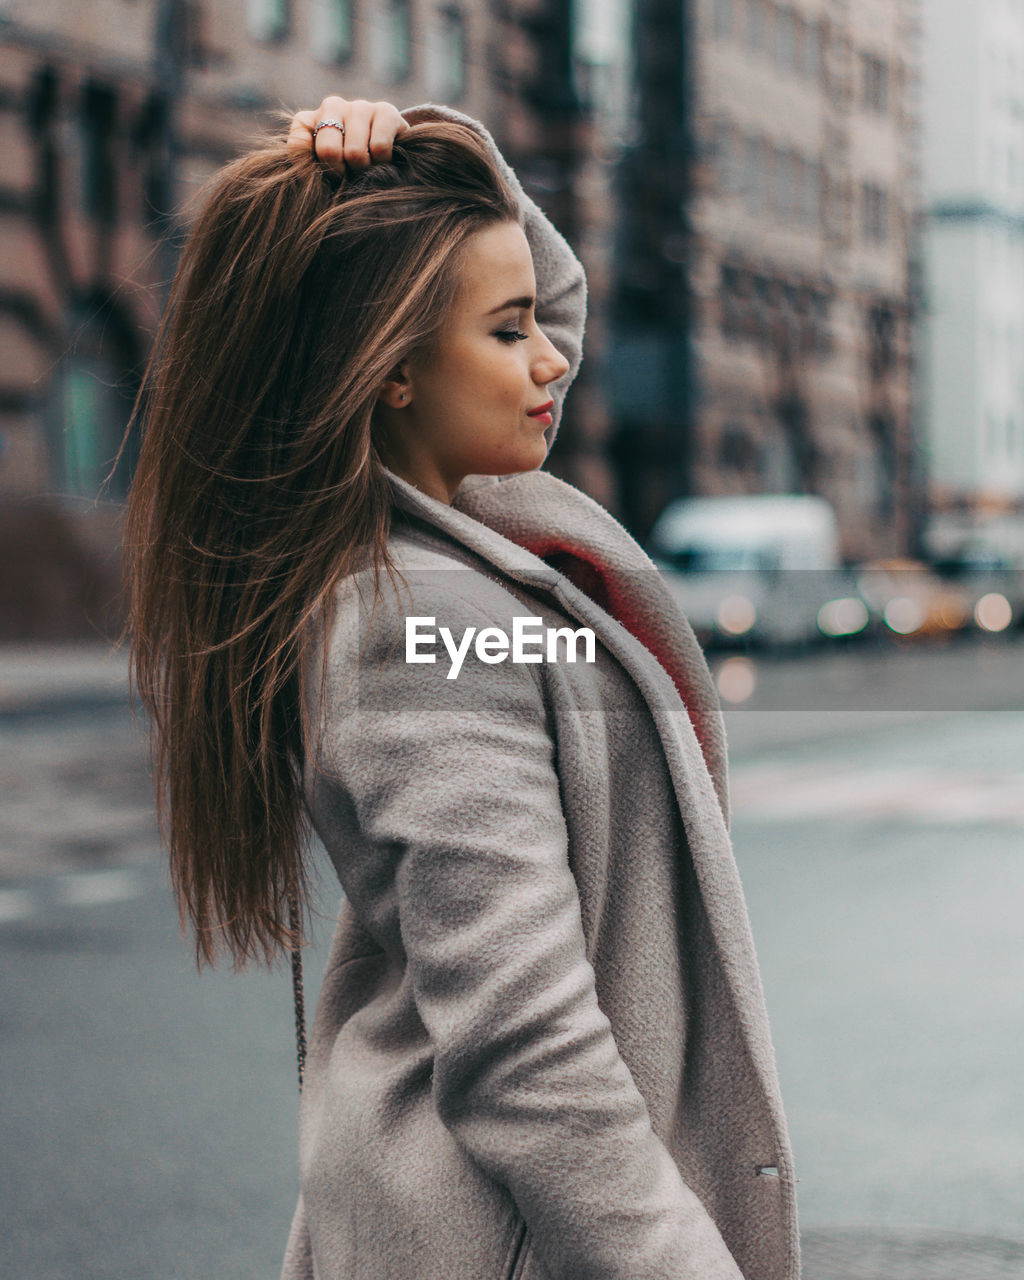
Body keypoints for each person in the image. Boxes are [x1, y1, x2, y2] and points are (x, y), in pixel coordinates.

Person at [123, 94, 800, 1280]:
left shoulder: (453, 513)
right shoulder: (417, 619)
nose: (549, 358)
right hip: (504, 1238)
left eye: (534, 321)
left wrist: (446, 150)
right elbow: (525, 1047)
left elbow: (539, 299)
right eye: (507, 333)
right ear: (389, 371)